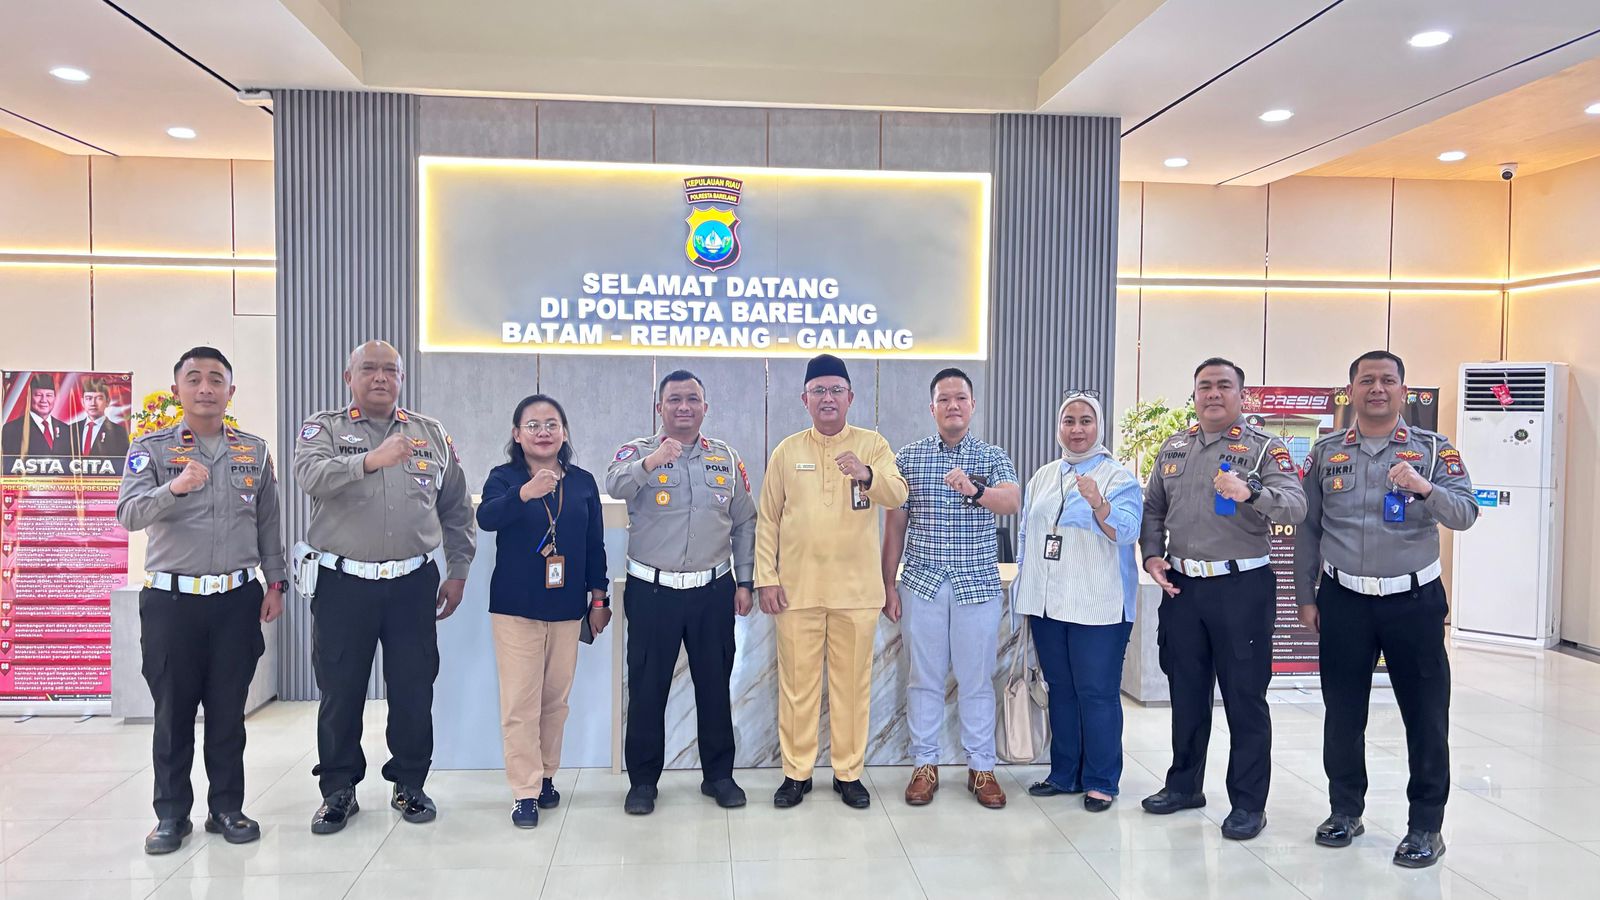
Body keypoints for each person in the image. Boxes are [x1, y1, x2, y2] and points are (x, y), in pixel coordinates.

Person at [1294, 350, 1477, 868]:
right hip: (1344, 600)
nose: (1377, 388)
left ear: (1403, 391)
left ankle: (1426, 826)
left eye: (1388, 380)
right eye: (1367, 380)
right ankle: (1344, 811)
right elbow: (1309, 529)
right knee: (1343, 713)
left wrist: (1425, 488)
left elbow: (1465, 513)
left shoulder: (1434, 449)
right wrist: (1306, 596)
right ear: (1350, 390)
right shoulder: (1326, 451)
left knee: (1425, 715)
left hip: (1413, 601)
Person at [293, 340, 475, 834]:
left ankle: (409, 784)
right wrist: (370, 461)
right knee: (341, 691)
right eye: (369, 369)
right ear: (348, 377)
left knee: (414, 689)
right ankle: (338, 790)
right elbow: (309, 476)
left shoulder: (430, 433)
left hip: (413, 583)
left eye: (390, 370)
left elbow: (456, 508)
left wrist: (458, 569)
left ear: (401, 378)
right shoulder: (325, 428)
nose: (380, 378)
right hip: (344, 583)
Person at [116, 347, 286, 854]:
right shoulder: (151, 449)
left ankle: (227, 808)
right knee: (173, 713)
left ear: (231, 391)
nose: (206, 388)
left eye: (216, 379)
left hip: (236, 600)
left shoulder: (253, 451)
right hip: (173, 603)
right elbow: (128, 514)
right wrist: (174, 488)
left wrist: (275, 582)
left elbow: (268, 521)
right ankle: (171, 815)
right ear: (177, 391)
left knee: (228, 711)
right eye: (194, 379)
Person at [1139, 357, 1306, 840]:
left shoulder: (1264, 449)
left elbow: (1295, 507)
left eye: (1223, 386)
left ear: (1240, 394)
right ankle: (1184, 786)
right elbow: (1153, 509)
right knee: (1186, 692)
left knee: (1244, 698)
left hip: (1241, 589)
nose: (1213, 394)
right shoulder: (1174, 447)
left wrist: (1250, 492)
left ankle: (1249, 804)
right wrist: (1152, 555)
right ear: (1194, 395)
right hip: (1183, 588)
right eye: (1205, 386)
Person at [756, 353, 908, 810]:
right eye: (818, 390)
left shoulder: (872, 445)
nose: (827, 398)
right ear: (804, 399)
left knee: (852, 687)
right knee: (797, 687)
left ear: (850, 397)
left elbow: (897, 494)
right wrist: (766, 577)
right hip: (796, 591)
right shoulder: (787, 451)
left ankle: (849, 773)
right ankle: (796, 773)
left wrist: (866, 474)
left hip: (857, 593)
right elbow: (768, 519)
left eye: (836, 390)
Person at [607, 370, 756, 815]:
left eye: (693, 399)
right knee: (647, 689)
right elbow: (615, 485)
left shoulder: (726, 458)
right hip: (653, 592)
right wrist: (652, 463)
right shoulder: (638, 452)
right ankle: (643, 783)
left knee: (714, 686)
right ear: (660, 407)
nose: (684, 406)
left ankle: (719, 776)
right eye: (674, 399)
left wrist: (744, 580)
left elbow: (744, 521)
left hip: (713, 591)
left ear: (705, 407)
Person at [881, 367, 1019, 809]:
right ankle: (925, 765)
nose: (953, 405)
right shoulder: (909, 457)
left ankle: (982, 767)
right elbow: (895, 525)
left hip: (976, 585)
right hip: (922, 584)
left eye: (960, 398)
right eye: (944, 399)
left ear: (972, 405)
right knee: (923, 678)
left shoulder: (992, 455)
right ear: (932, 408)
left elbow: (1012, 500)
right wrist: (888, 584)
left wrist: (975, 490)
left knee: (977, 679)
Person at [478, 394, 610, 828]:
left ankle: (547, 775)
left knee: (555, 701)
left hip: (567, 608)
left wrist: (599, 599)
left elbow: (594, 545)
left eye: (552, 424)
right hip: (516, 609)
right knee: (520, 703)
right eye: (532, 425)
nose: (543, 432)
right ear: (517, 434)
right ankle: (524, 791)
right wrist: (524, 494)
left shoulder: (583, 482)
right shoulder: (504, 477)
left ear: (564, 433)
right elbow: (487, 518)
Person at [1013, 391, 1142, 812]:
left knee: (1097, 693)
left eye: (1086, 420)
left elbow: (1128, 532)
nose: (1077, 429)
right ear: (1058, 427)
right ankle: (1064, 773)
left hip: (1098, 605)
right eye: (1069, 421)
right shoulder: (1044, 475)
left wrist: (1099, 504)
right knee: (1062, 691)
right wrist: (1025, 585)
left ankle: (1101, 780)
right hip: (1048, 605)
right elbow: (1026, 534)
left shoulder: (1117, 478)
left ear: (1099, 426)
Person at [2, 373, 68, 458]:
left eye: (49, 395)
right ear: (29, 397)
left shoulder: (66, 429)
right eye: (38, 395)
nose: (44, 400)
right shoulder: (12, 429)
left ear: (55, 398)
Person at [75, 377, 130, 458]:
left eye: (99, 398)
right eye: (88, 398)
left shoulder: (119, 432)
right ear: (83, 402)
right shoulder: (71, 430)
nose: (93, 403)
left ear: (107, 401)